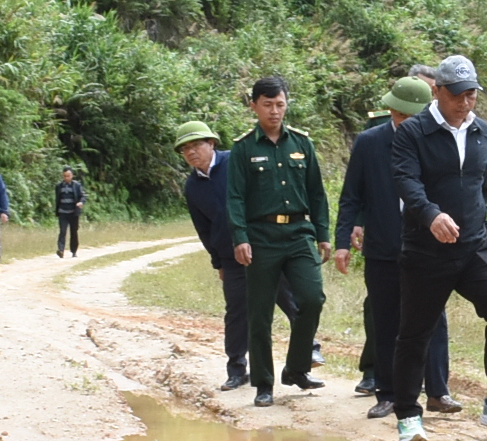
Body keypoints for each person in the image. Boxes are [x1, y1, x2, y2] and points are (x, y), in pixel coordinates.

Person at [387, 54, 487, 441]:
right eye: (459, 96)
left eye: (472, 95)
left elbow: (483, 184)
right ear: (438, 91)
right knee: (415, 333)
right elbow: (406, 182)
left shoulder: (480, 130)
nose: (465, 103)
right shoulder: (412, 133)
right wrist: (431, 215)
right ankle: (408, 416)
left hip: (472, 247)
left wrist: (477, 226)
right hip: (425, 250)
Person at [335, 75, 451, 418]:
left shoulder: (439, 141)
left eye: (413, 118)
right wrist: (343, 241)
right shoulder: (369, 143)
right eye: (400, 117)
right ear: (390, 111)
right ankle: (387, 393)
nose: (406, 124)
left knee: (434, 320)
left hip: (428, 248)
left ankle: (438, 391)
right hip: (384, 247)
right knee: (385, 322)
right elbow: (351, 195)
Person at [223, 76, 330, 407]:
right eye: (267, 105)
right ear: (254, 105)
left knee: (312, 299)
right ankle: (263, 384)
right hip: (261, 238)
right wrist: (240, 238)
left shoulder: (301, 143)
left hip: (299, 234)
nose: (274, 111)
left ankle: (296, 369)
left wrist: (323, 235)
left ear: (286, 105)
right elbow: (235, 197)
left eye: (280, 104)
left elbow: (316, 192)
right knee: (260, 314)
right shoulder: (243, 148)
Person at [178, 120, 307, 391]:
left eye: (196, 145)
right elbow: (203, 228)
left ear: (211, 143)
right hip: (231, 257)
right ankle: (237, 369)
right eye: (185, 149)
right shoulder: (192, 187)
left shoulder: (235, 161)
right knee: (236, 312)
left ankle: (304, 358)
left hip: (264, 247)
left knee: (291, 301)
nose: (191, 152)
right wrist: (217, 261)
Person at [53, 167, 87, 256]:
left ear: (72, 176)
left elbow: (83, 196)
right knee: (62, 231)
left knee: (74, 232)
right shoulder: (59, 186)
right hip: (62, 212)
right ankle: (61, 250)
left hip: (73, 213)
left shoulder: (77, 185)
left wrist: (81, 202)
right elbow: (57, 199)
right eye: (64, 176)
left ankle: (74, 251)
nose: (66, 178)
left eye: (68, 176)